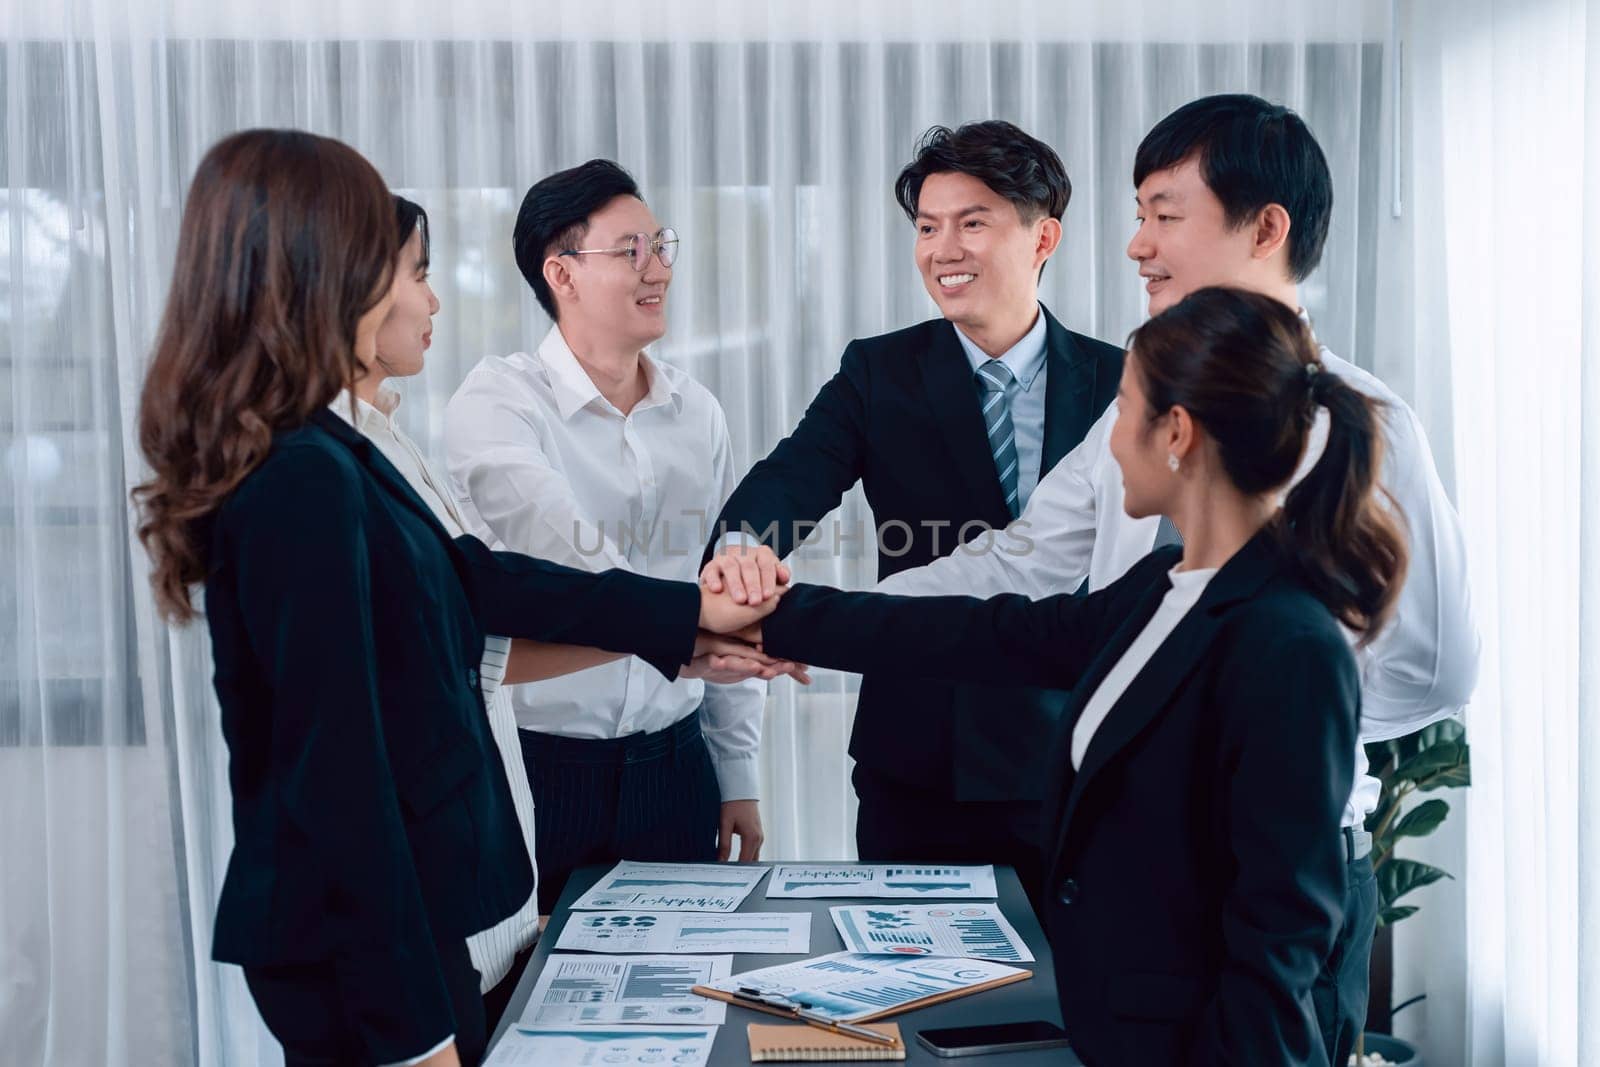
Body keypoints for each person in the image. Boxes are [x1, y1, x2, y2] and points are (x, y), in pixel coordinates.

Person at [720, 94, 1481, 1066]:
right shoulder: (1146, 413)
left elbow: (1433, 669)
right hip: (1122, 872)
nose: (1137, 245)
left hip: (1258, 878)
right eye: (1138, 214)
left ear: (1264, 228)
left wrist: (1245, 731)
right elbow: (1015, 572)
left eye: (1164, 214)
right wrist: (782, 620)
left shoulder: (1367, 427)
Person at [131, 130, 767, 1067]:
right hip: (376, 978)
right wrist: (415, 1032)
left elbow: (472, 592)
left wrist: (689, 624)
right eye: (408, 268)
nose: (431, 295)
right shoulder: (304, 478)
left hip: (418, 934)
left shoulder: (340, 452)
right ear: (324, 272)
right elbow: (340, 786)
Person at [700, 121, 1124, 896]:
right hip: (921, 764)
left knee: (1079, 1004)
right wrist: (742, 549)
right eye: (928, 227)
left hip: (1078, 758)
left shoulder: (1124, 380)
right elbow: (792, 476)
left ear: (1043, 237)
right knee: (915, 1007)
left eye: (972, 223)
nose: (943, 249)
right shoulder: (879, 370)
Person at [444, 160, 794, 915]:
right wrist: (687, 628)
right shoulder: (499, 401)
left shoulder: (697, 411)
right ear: (561, 274)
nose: (658, 268)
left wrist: (736, 774)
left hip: (674, 766)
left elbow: (721, 574)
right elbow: (570, 556)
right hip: (540, 769)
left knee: (687, 1003)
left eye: (661, 245)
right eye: (630, 249)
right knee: (523, 1003)